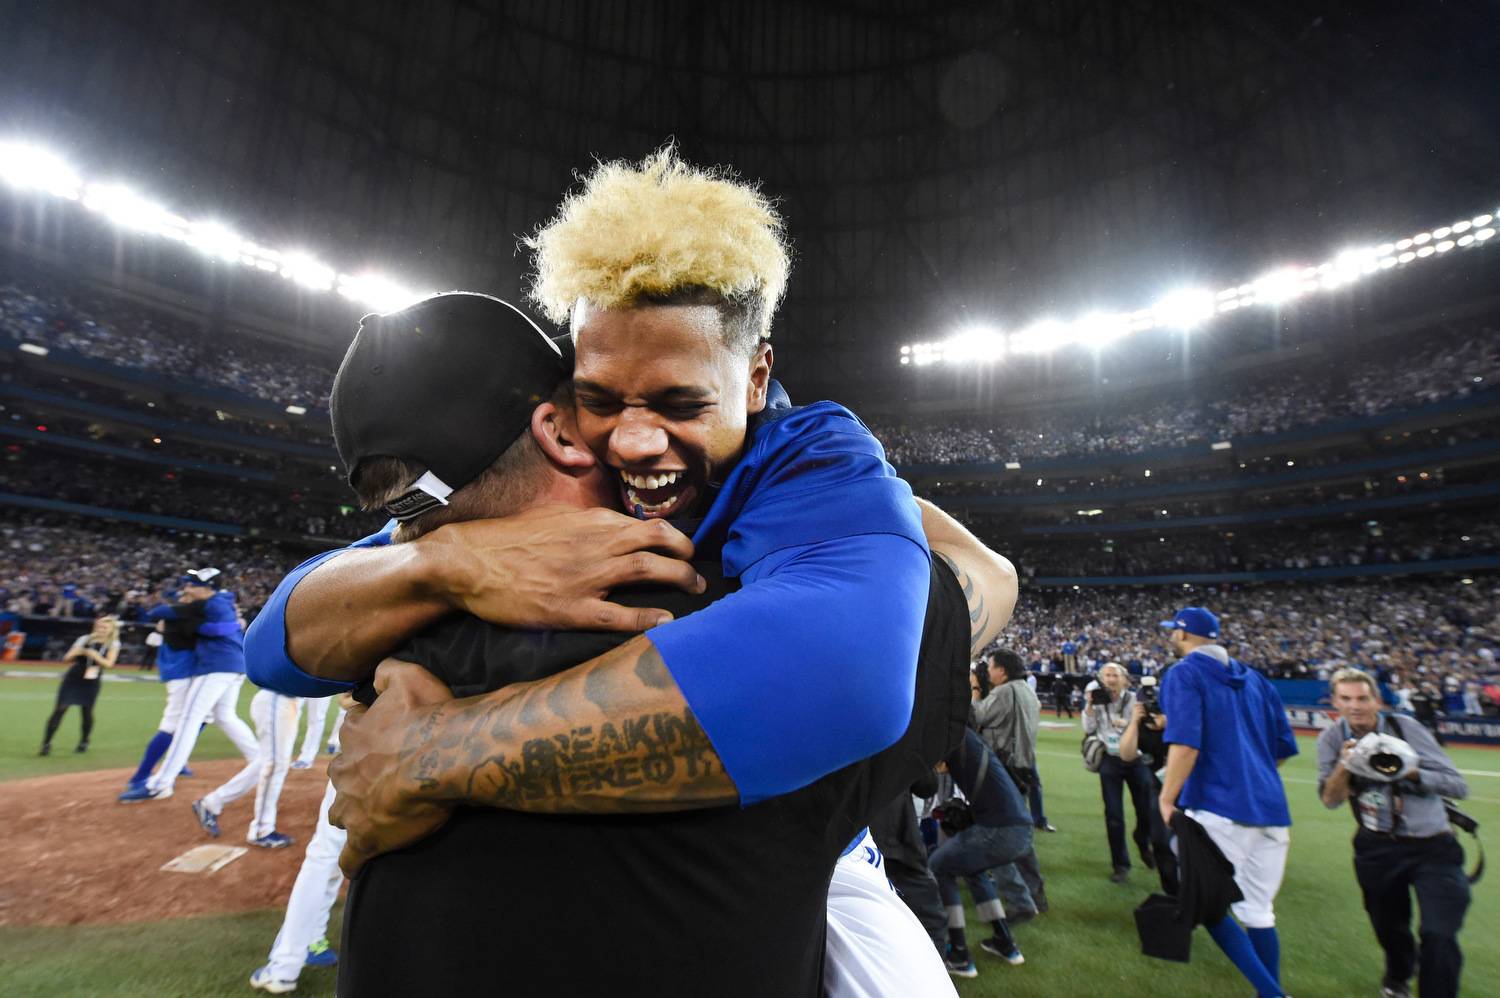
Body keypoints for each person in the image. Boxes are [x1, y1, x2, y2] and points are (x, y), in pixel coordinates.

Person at [251, 284, 1013, 995]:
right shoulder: (732, 609)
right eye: (600, 400)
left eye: (677, 402)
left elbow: (271, 648)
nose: (637, 439)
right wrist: (851, 485)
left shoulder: (381, 648)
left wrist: (428, 734)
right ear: (559, 429)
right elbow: (972, 586)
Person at [1158, 606, 1296, 998]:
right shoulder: (1257, 679)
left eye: (1173, 631)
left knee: (1206, 905)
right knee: (1258, 911)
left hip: (1218, 806)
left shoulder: (1184, 673)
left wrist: (1167, 799)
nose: (1171, 637)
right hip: (1271, 810)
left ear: (1183, 634)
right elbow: (1282, 749)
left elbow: (1186, 744)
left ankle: (1274, 995)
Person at [1317, 667, 1471, 998]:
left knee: (1440, 932)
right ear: (1335, 702)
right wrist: (1346, 764)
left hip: (1433, 846)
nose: (1355, 706)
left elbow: (1458, 785)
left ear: (1377, 701)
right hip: (1377, 849)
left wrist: (1409, 771)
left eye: (1363, 698)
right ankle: (1399, 975)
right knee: (1389, 927)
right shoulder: (1331, 739)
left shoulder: (1405, 728)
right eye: (1346, 699)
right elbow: (1330, 800)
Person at [120, 568, 257, 803]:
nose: (187, 589)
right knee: (224, 716)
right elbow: (220, 627)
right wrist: (227, 624)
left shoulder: (211, 603)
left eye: (192, 585)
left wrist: (194, 624)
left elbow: (163, 613)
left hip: (216, 666)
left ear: (208, 587)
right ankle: (261, 760)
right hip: (235, 665)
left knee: (188, 721)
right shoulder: (221, 601)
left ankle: (161, 784)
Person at [929, 728, 1033, 978]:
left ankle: (959, 954)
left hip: (999, 830)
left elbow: (927, 779)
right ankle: (1004, 941)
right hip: (1020, 829)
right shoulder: (968, 738)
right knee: (971, 869)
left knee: (938, 865)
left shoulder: (949, 734)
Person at [249, 778, 345, 993]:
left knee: (324, 854)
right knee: (342, 852)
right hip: (415, 771)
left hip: (363, 767)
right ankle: (313, 939)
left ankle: (284, 967)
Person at [191, 686, 302, 848]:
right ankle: (261, 830)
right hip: (278, 699)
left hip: (287, 701)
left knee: (267, 762)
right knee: (275, 765)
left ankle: (211, 803)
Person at [1083, 661, 1156, 883]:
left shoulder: (1135, 699)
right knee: (1113, 814)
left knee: (1146, 810)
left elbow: (1148, 726)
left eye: (1115, 675)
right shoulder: (1097, 699)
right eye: (1107, 675)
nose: (1111, 679)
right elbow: (1088, 729)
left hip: (1136, 758)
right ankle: (1120, 864)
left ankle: (1142, 840)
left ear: (1125, 679)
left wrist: (1129, 722)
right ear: (1101, 679)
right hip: (1110, 759)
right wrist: (1089, 706)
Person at [1118, 679, 1181, 896]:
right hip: (1158, 786)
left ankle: (1191, 886)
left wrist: (1171, 724)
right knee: (1161, 839)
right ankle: (1172, 891)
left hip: (1185, 785)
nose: (1152, 709)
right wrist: (1134, 722)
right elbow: (1126, 754)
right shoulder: (1139, 725)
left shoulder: (1178, 720)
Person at [39, 615, 119, 755]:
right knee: (60, 708)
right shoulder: (85, 639)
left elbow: (109, 664)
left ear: (111, 630)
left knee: (86, 712)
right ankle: (46, 743)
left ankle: (84, 741)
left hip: (92, 679)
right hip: (74, 677)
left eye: (105, 628)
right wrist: (77, 652)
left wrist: (95, 655)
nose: (101, 630)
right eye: (99, 627)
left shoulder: (113, 644)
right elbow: (66, 658)